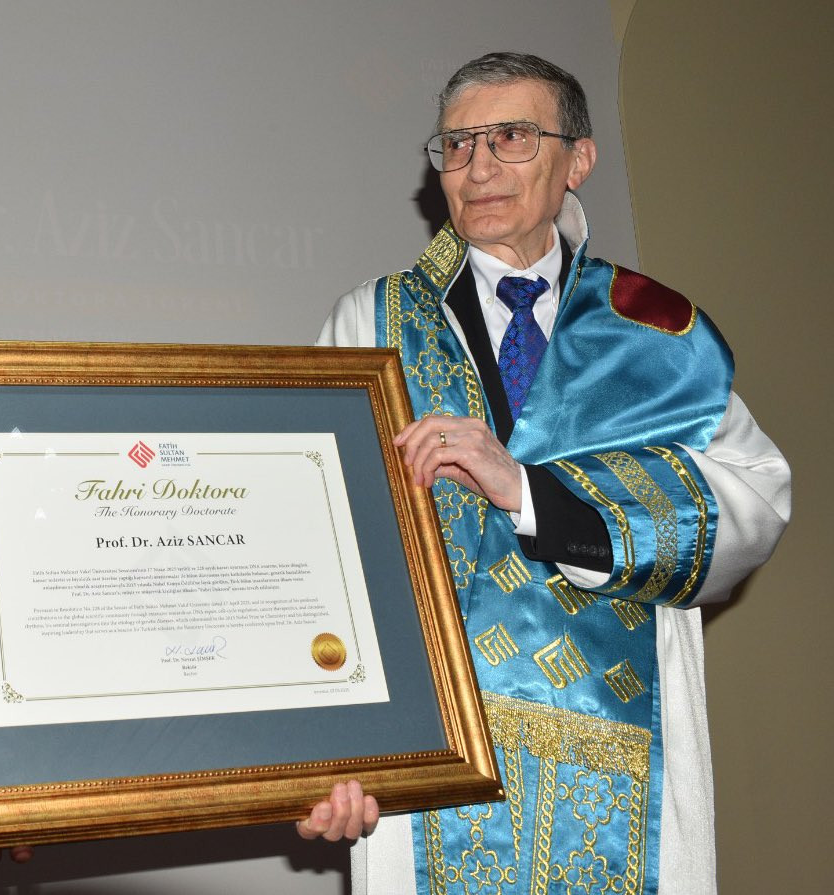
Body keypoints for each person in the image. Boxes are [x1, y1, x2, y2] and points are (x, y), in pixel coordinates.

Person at [299, 52, 790, 895]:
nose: (478, 166)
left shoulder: (655, 333)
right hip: (436, 745)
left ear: (578, 159)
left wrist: (529, 493)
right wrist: (332, 750)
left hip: (625, 731)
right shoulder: (373, 321)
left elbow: (751, 500)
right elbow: (320, 546)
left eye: (512, 137)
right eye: (456, 144)